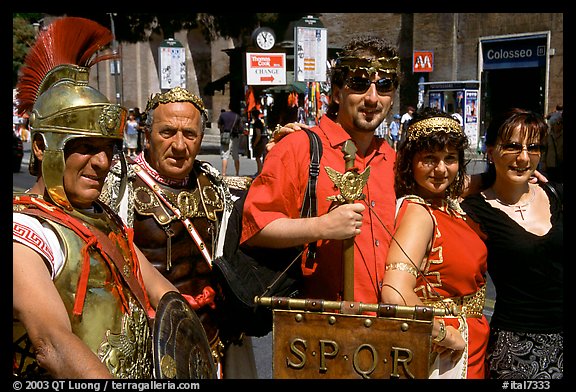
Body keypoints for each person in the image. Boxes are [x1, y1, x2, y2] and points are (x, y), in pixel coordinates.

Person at [12, 16, 181, 379]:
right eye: (86, 147)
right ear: (41, 147)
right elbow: (51, 343)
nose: (102, 162)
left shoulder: (101, 218)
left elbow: (160, 292)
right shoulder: (23, 234)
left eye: (107, 148)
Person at [100, 87, 257, 379]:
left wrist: (282, 150)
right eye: (167, 132)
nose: (179, 145)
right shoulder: (120, 187)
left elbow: (261, 209)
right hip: (152, 344)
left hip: (215, 337)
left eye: (190, 134)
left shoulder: (213, 183)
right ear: (147, 135)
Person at [241, 35, 399, 304]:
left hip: (385, 325)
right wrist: (322, 227)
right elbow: (256, 228)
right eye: (359, 84)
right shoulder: (299, 146)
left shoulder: (393, 157)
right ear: (337, 94)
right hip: (318, 326)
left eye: (383, 86)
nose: (372, 98)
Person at [380, 107, 489, 379]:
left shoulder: (445, 205)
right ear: (410, 162)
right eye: (429, 159)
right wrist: (442, 333)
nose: (441, 169)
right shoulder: (419, 213)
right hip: (443, 354)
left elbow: (466, 183)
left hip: (467, 343)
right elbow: (394, 292)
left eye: (450, 158)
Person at [460, 108, 563, 379]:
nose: (524, 157)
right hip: (517, 348)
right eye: (513, 147)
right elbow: (435, 187)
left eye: (533, 147)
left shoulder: (556, 195)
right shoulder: (476, 208)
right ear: (491, 150)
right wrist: (488, 178)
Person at [218, 105, 242, 176]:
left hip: (225, 136)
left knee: (225, 155)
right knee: (235, 155)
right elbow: (241, 128)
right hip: (235, 137)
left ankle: (224, 173)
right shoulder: (237, 116)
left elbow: (219, 125)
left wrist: (222, 132)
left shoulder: (223, 115)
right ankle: (237, 173)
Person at [542, 106, 563, 182]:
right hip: (550, 164)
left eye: (561, 122)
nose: (560, 125)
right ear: (553, 124)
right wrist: (543, 163)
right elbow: (544, 150)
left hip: (560, 165)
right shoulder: (548, 136)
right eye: (558, 123)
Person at [250, 108, 267, 176]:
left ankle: (260, 171)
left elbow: (258, 134)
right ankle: (259, 171)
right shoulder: (260, 122)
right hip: (261, 141)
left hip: (258, 142)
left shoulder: (257, 123)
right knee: (259, 157)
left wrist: (255, 143)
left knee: (258, 157)